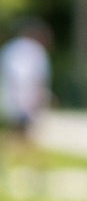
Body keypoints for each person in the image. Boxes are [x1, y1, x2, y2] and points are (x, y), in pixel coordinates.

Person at [0, 18, 52, 150]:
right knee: (25, 129)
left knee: (18, 127)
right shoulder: (36, 50)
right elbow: (37, 76)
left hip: (12, 93)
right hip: (27, 95)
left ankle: (18, 152)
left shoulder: (10, 47)